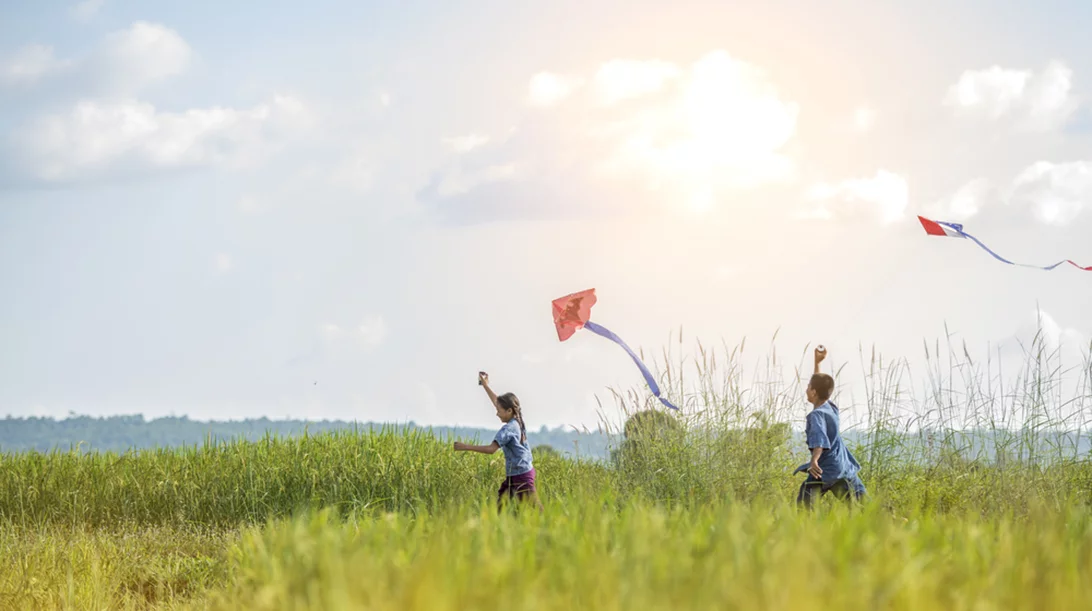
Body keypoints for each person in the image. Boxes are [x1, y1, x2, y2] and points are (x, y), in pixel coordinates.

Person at [453, 372, 543, 513]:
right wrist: (485, 385)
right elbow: (497, 402)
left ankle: (552, 528)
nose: (497, 414)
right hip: (517, 474)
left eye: (499, 411)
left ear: (509, 410)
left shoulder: (507, 429)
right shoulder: (517, 418)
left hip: (521, 475)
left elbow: (491, 449)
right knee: (503, 505)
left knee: (536, 509)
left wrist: (466, 446)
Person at [795, 346, 867, 508]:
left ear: (813, 392)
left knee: (805, 503)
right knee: (864, 506)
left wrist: (814, 460)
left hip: (823, 469)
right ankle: (894, 521)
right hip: (843, 466)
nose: (806, 389)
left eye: (808, 387)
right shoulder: (829, 407)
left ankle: (802, 530)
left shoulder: (816, 415)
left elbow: (820, 440)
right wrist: (817, 363)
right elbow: (819, 385)